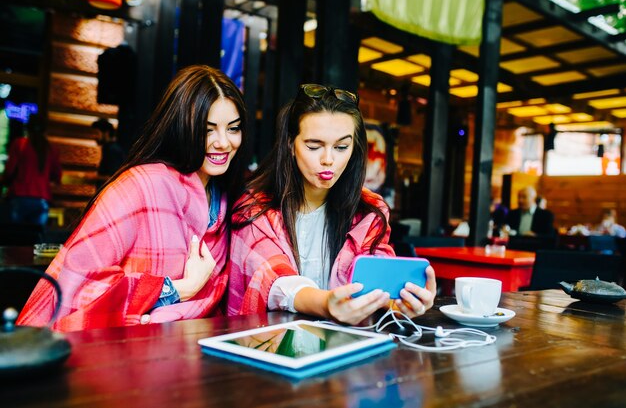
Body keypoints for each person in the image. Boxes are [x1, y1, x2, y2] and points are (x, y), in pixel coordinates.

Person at [18, 65, 248, 331]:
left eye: (233, 128)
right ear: (181, 127)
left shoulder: (230, 202)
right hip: (121, 351)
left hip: (196, 351)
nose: (223, 142)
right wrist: (178, 289)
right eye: (207, 130)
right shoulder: (142, 186)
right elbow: (79, 282)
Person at [227, 83, 436, 325]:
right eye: (314, 146)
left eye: (341, 147)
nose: (328, 160)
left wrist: (400, 302)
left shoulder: (368, 210)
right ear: (290, 145)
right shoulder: (256, 207)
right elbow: (271, 277)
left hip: (343, 347)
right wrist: (327, 305)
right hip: (268, 344)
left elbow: (376, 279)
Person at [0, 115, 62, 226]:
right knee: (35, 238)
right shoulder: (51, 149)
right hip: (42, 199)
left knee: (15, 237)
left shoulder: (20, 144)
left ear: (27, 128)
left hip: (19, 197)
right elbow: (57, 176)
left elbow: (9, 171)